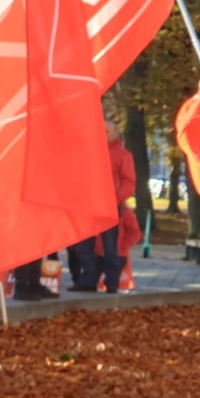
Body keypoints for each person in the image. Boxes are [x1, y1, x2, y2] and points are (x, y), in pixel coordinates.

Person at [67, 119, 136, 294]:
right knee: (84, 245)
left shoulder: (123, 155)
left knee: (110, 245)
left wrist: (115, 199)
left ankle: (111, 282)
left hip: (110, 205)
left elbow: (129, 182)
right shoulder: (89, 152)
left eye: (106, 131)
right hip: (89, 205)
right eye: (101, 130)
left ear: (115, 133)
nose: (103, 134)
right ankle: (88, 280)